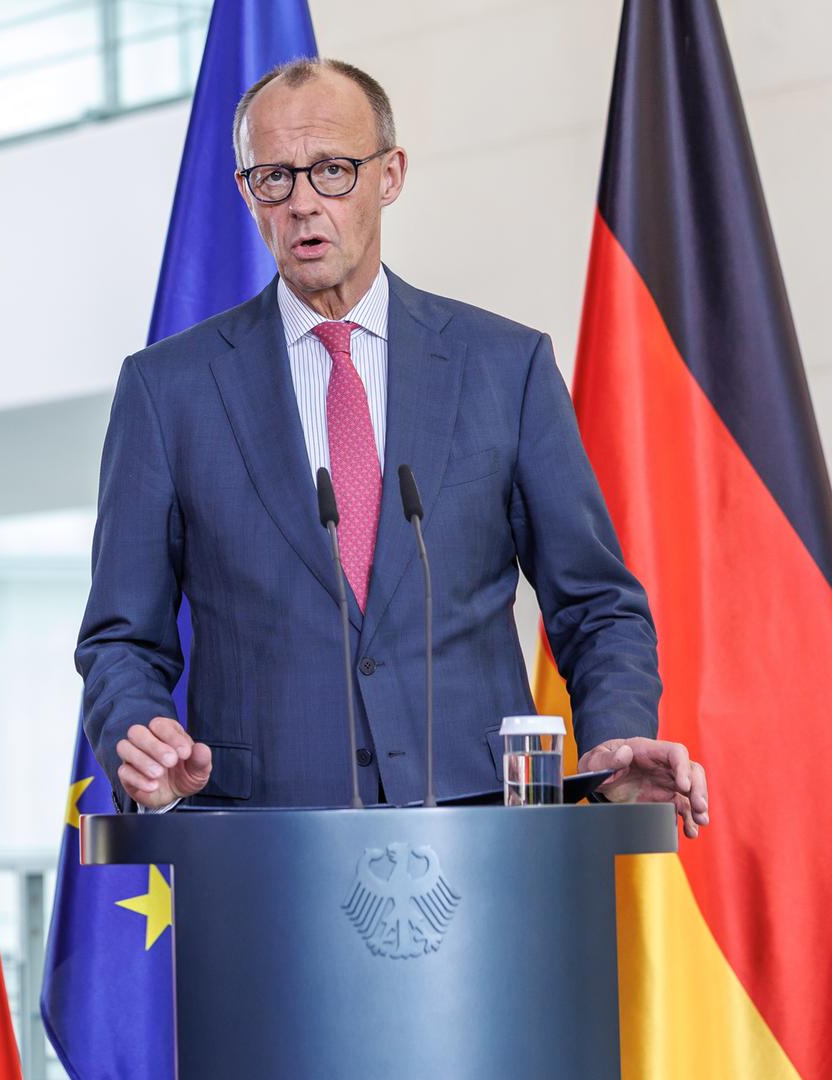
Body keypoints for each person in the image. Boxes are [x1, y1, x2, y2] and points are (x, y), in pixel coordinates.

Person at [75, 59, 711, 836]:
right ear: (246, 192)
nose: (303, 203)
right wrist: (141, 739)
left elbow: (594, 601)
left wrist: (613, 734)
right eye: (274, 177)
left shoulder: (503, 368)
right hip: (261, 848)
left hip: (486, 836)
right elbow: (120, 637)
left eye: (333, 171)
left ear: (390, 175)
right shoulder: (166, 390)